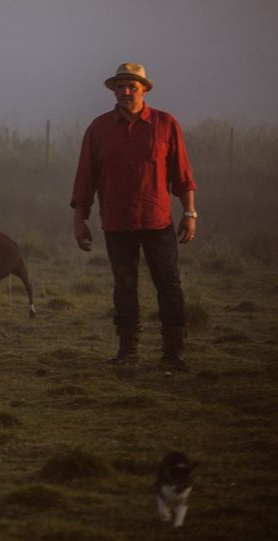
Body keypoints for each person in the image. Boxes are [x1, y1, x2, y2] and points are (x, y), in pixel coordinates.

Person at [70, 63, 197, 370]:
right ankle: (128, 350)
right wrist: (79, 219)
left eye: (132, 86)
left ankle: (173, 353)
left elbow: (181, 174)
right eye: (120, 86)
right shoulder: (98, 129)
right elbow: (86, 176)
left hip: (158, 220)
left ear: (144, 89)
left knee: (169, 284)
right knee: (124, 286)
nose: (125, 91)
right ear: (113, 90)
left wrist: (189, 212)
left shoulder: (165, 124)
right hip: (117, 222)